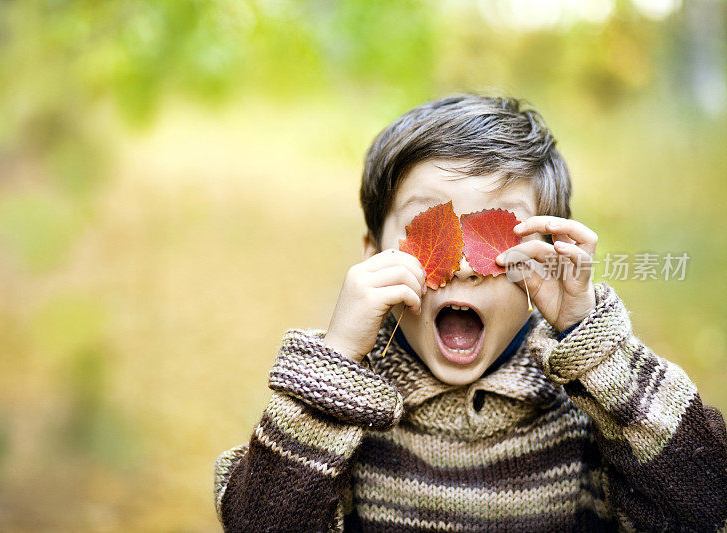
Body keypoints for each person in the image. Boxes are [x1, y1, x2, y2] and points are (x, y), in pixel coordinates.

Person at [212, 93, 727, 532]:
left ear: (547, 257)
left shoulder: (589, 405)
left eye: (498, 235)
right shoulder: (346, 414)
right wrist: (334, 370)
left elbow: (707, 503)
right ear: (372, 255)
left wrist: (599, 351)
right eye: (428, 228)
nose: (461, 267)